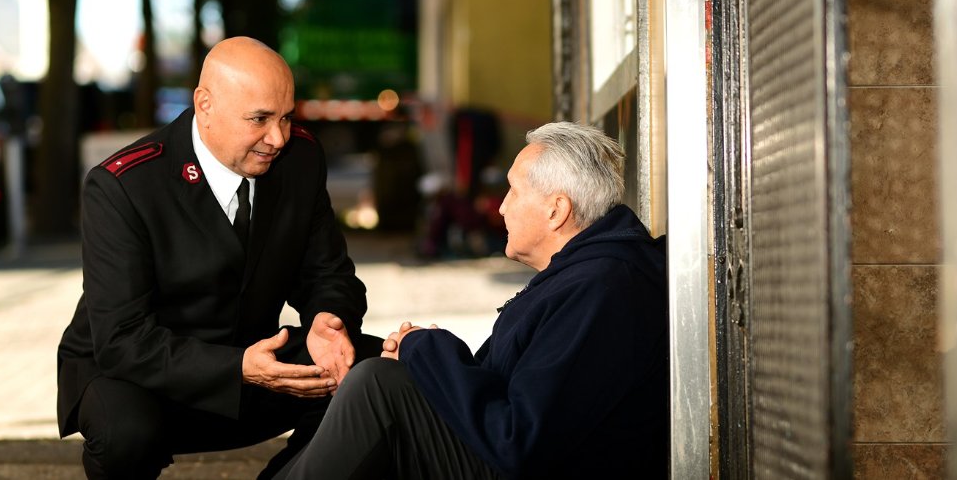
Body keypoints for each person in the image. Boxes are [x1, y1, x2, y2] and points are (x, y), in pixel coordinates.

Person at [56, 37, 381, 479]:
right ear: (204, 105)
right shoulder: (123, 187)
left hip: (252, 356)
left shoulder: (299, 159)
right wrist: (238, 368)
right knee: (124, 433)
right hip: (142, 373)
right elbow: (122, 340)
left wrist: (329, 320)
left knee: (374, 376)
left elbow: (330, 275)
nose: (278, 137)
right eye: (260, 119)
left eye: (286, 117)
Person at [276, 122, 670, 479]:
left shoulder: (602, 289)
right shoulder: (588, 278)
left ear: (557, 210)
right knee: (367, 373)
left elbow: (519, 440)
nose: (500, 207)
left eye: (514, 191)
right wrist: (419, 358)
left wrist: (425, 348)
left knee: (376, 384)